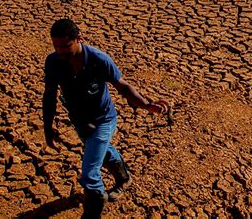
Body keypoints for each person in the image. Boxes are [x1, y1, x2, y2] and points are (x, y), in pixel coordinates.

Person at [42, 19, 168, 219]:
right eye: (56, 46)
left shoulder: (98, 59)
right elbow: (49, 95)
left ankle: (93, 209)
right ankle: (124, 178)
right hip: (80, 121)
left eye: (65, 46)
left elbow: (122, 86)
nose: (60, 51)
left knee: (90, 173)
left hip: (103, 120)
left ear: (79, 38)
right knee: (102, 152)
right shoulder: (53, 62)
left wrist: (145, 104)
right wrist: (47, 128)